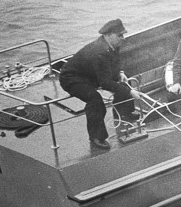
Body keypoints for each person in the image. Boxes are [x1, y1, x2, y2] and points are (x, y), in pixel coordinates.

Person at [59, 19, 142, 150]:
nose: (123, 38)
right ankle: (96, 137)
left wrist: (120, 72)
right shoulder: (99, 52)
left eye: (123, 34)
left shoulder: (112, 45)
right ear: (108, 35)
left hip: (90, 73)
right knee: (95, 100)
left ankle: (124, 112)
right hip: (72, 78)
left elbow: (114, 62)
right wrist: (130, 92)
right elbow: (105, 83)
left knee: (123, 83)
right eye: (120, 35)